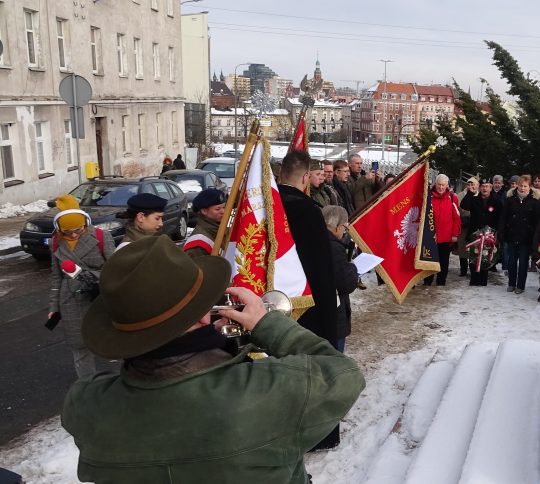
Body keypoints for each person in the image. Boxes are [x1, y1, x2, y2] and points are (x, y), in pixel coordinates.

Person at [61, 235, 365, 483]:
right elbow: (343, 374)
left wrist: (213, 345)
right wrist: (266, 325)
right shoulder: (265, 392)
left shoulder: (85, 403)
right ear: (203, 315)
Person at [277, 150, 344, 449]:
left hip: (271, 302)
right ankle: (318, 433)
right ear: (305, 178)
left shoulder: (265, 203)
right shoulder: (306, 210)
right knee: (312, 369)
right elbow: (320, 266)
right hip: (307, 304)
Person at [48, 195, 116, 377]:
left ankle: (125, 376)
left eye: (78, 230)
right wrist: (54, 307)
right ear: (59, 229)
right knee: (78, 344)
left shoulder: (102, 237)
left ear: (85, 223)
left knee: (111, 337)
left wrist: (88, 276)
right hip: (71, 299)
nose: (73, 235)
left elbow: (114, 270)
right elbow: (56, 277)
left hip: (99, 296)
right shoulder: (54, 242)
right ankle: (87, 383)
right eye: (68, 232)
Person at [322, 205, 359, 353]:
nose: (345, 231)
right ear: (336, 227)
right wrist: (353, 268)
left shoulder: (314, 239)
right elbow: (345, 283)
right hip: (333, 313)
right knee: (334, 356)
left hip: (319, 311)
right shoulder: (334, 247)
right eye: (345, 227)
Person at [499, 175, 540, 294]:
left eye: (525, 186)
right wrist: (502, 231)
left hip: (526, 237)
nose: (522, 188)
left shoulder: (535, 202)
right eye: (521, 185)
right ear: (517, 185)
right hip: (512, 234)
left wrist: (534, 237)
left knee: (523, 262)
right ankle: (511, 283)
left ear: (529, 187)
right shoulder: (510, 200)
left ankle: (520, 285)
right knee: (512, 261)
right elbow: (503, 217)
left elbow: (537, 221)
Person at [460, 178, 502, 286]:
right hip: (475, 233)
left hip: (489, 234)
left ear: (491, 188)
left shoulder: (496, 201)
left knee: (486, 257)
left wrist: (497, 233)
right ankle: (474, 279)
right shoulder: (474, 199)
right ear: (480, 187)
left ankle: (483, 280)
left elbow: (499, 218)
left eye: (487, 186)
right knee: (474, 256)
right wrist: (470, 192)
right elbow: (464, 206)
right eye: (483, 186)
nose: (485, 188)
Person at [423, 174, 461, 287]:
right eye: (439, 184)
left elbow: (456, 218)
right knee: (429, 261)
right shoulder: (428, 197)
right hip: (430, 236)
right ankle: (427, 281)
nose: (440, 187)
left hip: (446, 237)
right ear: (435, 184)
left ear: (447, 185)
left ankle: (441, 281)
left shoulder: (452, 198)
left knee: (444, 262)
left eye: (443, 185)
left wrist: (455, 234)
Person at [182, 188, 227, 258]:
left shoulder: (221, 230)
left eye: (224, 207)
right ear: (204, 211)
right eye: (218, 209)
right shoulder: (197, 243)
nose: (223, 212)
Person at [456, 177, 478, 277]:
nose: (470, 186)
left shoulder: (480, 196)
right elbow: (457, 208)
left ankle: (473, 268)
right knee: (462, 247)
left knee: (474, 247)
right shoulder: (460, 195)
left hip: (474, 224)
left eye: (472, 184)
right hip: (463, 223)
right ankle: (463, 269)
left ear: (477, 186)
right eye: (468, 184)